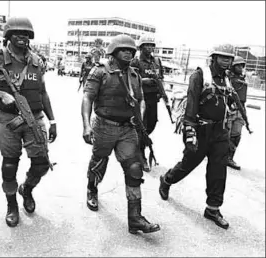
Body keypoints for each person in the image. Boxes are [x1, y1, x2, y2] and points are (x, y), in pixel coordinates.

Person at [0, 17, 57, 228]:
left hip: (35, 117)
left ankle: (27, 189)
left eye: (26, 33)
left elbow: (43, 92)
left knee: (41, 163)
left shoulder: (38, 61)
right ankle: (12, 205)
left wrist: (53, 120)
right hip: (8, 118)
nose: (22, 37)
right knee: (10, 164)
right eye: (17, 33)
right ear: (8, 36)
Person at [82, 34, 160, 234]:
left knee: (134, 169)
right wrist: (86, 126)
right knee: (99, 162)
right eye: (123, 49)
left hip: (127, 128)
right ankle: (92, 188)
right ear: (113, 52)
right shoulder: (100, 71)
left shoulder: (134, 75)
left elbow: (140, 100)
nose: (128, 52)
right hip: (104, 126)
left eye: (131, 50)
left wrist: (140, 121)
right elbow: (88, 98)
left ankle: (135, 219)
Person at [158, 44, 236, 230]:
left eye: (229, 58)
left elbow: (228, 102)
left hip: (220, 132)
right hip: (201, 129)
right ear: (214, 57)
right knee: (188, 164)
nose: (227, 61)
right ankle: (167, 179)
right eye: (223, 57)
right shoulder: (200, 75)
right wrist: (189, 132)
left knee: (218, 170)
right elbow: (192, 104)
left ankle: (213, 208)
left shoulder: (227, 78)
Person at [130, 35, 164, 172]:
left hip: (153, 98)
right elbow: (131, 79)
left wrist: (161, 89)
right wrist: (146, 80)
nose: (150, 48)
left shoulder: (156, 61)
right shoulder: (136, 61)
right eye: (147, 45)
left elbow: (161, 76)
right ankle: (140, 153)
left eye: (151, 45)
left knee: (152, 124)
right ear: (141, 47)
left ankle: (137, 143)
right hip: (141, 99)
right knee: (142, 126)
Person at [226, 56, 248, 170]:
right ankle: (221, 156)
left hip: (240, 109)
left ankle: (229, 157)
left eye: (242, 65)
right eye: (237, 65)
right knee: (226, 134)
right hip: (230, 109)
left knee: (236, 135)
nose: (240, 67)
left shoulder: (242, 79)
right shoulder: (227, 78)